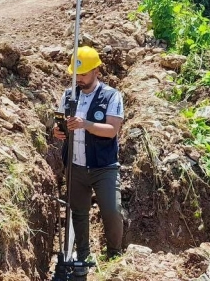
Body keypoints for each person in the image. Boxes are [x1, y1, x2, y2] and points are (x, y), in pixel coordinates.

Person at [53, 46, 124, 275]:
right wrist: (59, 131)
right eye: (75, 74)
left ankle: (114, 253)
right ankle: (82, 256)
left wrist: (86, 124)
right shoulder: (68, 95)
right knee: (79, 212)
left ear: (96, 71)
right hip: (75, 165)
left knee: (112, 211)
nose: (79, 79)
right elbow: (61, 123)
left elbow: (112, 130)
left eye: (83, 74)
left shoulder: (111, 96)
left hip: (103, 166)